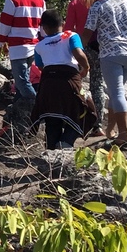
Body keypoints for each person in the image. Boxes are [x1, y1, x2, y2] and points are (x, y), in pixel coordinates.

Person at [80, 0, 127, 145]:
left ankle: (124, 133)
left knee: (116, 92)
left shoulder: (98, 7)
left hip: (110, 54)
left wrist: (76, 51)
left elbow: (87, 34)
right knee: (116, 91)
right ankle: (111, 130)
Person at [31, 10, 95, 149]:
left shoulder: (39, 46)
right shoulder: (71, 36)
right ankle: (66, 141)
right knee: (84, 110)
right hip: (69, 81)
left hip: (48, 83)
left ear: (44, 28)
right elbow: (78, 53)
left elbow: (40, 67)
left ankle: (51, 149)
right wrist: (86, 67)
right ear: (63, 24)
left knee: (52, 116)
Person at [0, 0, 46, 108]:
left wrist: (0, 43)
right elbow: (42, 24)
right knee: (26, 80)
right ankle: (19, 108)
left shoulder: (12, 0)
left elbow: (5, 25)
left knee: (21, 82)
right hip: (34, 45)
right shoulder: (39, 0)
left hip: (18, 47)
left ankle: (39, 106)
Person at [64, 0, 106, 125]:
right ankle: (98, 122)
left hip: (80, 48)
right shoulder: (103, 1)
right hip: (101, 47)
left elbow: (68, 29)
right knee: (97, 84)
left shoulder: (75, 3)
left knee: (76, 82)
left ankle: (76, 118)